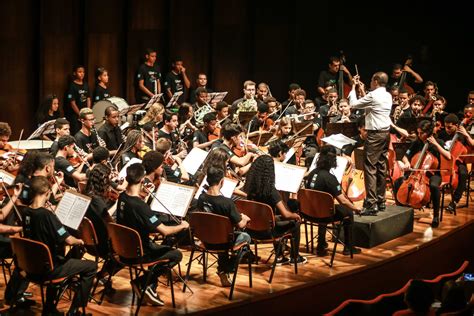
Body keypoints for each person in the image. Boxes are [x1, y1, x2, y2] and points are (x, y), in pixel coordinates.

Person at [22, 176, 97, 315]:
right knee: (91, 267)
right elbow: (69, 240)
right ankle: (75, 310)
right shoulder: (46, 215)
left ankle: (49, 308)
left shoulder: (26, 212)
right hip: (48, 270)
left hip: (31, 267)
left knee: (60, 257)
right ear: (47, 193)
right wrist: (80, 240)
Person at [117, 163, 189, 306]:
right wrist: (182, 225)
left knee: (162, 248)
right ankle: (143, 282)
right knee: (176, 254)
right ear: (142, 179)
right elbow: (165, 231)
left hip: (124, 250)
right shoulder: (140, 206)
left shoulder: (122, 198)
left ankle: (150, 286)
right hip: (140, 253)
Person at [243, 155, 306, 265]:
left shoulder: (249, 188)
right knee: (295, 222)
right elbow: (286, 214)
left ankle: (280, 256)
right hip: (266, 231)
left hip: (252, 229)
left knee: (274, 218)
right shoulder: (270, 191)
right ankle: (295, 257)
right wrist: (296, 216)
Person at [197, 166, 251, 287]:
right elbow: (240, 224)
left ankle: (223, 268)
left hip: (206, 240)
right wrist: (245, 218)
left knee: (221, 232)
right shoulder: (227, 202)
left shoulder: (201, 198)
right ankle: (226, 268)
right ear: (222, 181)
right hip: (223, 241)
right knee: (246, 237)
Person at [305, 145, 362, 256]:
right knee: (348, 212)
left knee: (322, 206)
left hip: (308, 213)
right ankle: (348, 247)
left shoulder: (311, 174)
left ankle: (321, 244)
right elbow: (343, 201)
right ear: (333, 161)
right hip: (322, 214)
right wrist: (356, 209)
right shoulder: (330, 179)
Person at [349, 72, 392, 215]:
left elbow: (353, 104)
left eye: (372, 80)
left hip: (374, 135)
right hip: (385, 134)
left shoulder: (373, 96)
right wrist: (363, 91)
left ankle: (371, 204)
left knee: (369, 167)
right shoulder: (387, 95)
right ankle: (381, 201)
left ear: (376, 81)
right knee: (380, 166)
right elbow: (370, 105)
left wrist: (353, 87)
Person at [393, 120, 449, 228]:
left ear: (429, 132)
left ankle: (436, 215)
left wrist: (436, 144)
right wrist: (407, 162)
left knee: (434, 186)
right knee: (397, 182)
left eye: (422, 133)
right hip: (416, 173)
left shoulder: (439, 142)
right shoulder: (417, 142)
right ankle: (400, 211)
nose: (419, 135)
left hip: (433, 174)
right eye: (418, 133)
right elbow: (405, 156)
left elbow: (448, 156)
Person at [437, 114, 474, 214]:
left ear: (456, 125)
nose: (447, 129)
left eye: (449, 127)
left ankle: (454, 201)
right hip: (444, 160)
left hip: (458, 161)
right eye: (445, 127)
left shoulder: (462, 134)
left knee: (463, 174)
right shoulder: (443, 134)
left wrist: (466, 134)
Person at [65, 65, 91, 134]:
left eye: (83, 72)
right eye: (79, 72)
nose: (82, 73)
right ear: (75, 73)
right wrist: (80, 114)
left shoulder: (86, 84)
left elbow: (88, 98)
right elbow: (72, 103)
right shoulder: (72, 86)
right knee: (77, 132)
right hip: (75, 115)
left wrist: (87, 111)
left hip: (85, 114)